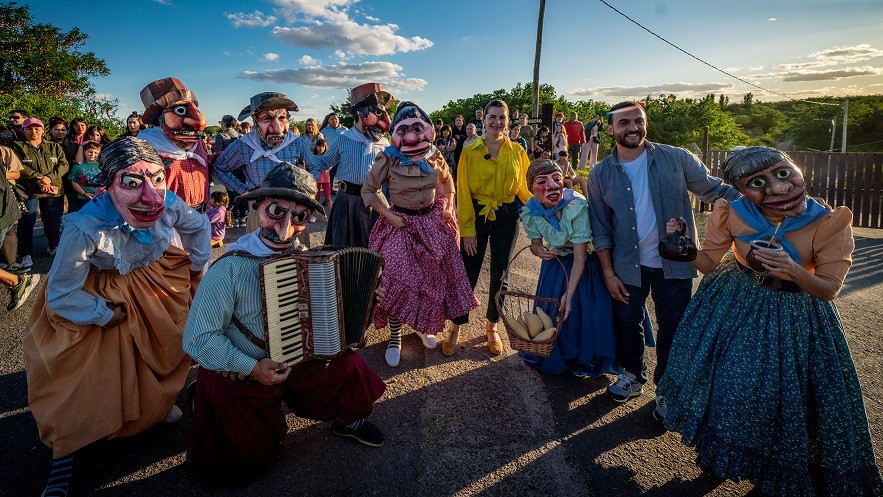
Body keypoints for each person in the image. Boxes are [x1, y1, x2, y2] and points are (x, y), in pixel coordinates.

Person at [658, 147, 883, 496]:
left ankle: (775, 468)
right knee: (730, 384)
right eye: (758, 183)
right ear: (741, 189)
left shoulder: (828, 222)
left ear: (795, 167)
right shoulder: (731, 211)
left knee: (785, 398)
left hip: (795, 315)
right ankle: (720, 453)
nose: (779, 189)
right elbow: (708, 263)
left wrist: (792, 269)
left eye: (783, 173)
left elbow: (828, 290)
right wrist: (682, 246)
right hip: (736, 301)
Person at [23, 136, 211, 497]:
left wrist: (196, 268)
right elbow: (62, 292)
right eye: (132, 182)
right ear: (108, 184)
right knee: (82, 371)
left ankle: (150, 411)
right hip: (96, 290)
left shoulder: (167, 202)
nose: (152, 195)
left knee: (162, 346)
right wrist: (100, 313)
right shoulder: (85, 228)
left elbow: (198, 225)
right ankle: (67, 449)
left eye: (157, 179)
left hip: (151, 278)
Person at [182, 162, 386, 487]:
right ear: (258, 207)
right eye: (276, 211)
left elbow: (326, 318)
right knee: (249, 461)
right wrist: (251, 366)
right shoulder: (230, 268)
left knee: (349, 369)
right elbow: (197, 339)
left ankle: (344, 421)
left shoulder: (310, 259)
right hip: (244, 371)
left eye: (300, 216)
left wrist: (364, 304)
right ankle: (200, 398)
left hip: (296, 361)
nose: (285, 228)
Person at [586, 101, 740, 423]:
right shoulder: (600, 173)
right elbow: (600, 229)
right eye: (624, 123)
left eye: (638, 121)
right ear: (610, 129)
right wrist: (609, 273)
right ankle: (633, 376)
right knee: (627, 324)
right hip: (627, 265)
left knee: (673, 328)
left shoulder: (676, 158)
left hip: (676, 262)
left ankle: (666, 389)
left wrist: (777, 201)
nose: (633, 128)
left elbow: (716, 191)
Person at [362, 102, 477, 366]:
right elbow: (368, 191)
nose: (412, 136)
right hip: (400, 224)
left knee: (430, 280)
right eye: (405, 129)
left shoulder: (434, 155)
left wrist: (448, 205)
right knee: (394, 282)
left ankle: (422, 326)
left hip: (431, 222)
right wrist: (389, 215)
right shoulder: (388, 158)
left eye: (417, 128)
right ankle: (394, 336)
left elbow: (448, 183)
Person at [518, 159, 615, 375]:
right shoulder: (530, 211)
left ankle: (583, 359)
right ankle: (552, 350)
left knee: (577, 312)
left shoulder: (576, 207)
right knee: (552, 316)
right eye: (542, 182)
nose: (552, 186)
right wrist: (537, 250)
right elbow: (535, 243)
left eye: (556, 179)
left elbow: (580, 258)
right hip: (555, 266)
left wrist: (568, 296)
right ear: (532, 188)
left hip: (583, 267)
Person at [456, 99, 532, 356]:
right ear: (483, 120)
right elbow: (463, 192)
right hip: (477, 214)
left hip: (508, 215)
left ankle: (492, 326)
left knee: (501, 274)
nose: (497, 122)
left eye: (502, 117)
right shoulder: (470, 150)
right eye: (492, 117)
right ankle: (456, 326)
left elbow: (524, 189)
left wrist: (546, 210)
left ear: (509, 121)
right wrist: (466, 229)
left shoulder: (518, 152)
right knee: (469, 271)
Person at [304, 82, 394, 248]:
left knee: (377, 249)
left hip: (375, 202)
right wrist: (303, 152)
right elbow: (323, 163)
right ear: (360, 115)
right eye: (376, 113)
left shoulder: (383, 142)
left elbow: (392, 173)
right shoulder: (344, 139)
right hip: (347, 202)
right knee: (344, 251)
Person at [213, 92, 311, 232]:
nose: (277, 128)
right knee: (258, 252)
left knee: (294, 253)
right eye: (267, 118)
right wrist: (245, 192)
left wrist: (306, 192)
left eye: (282, 117)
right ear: (255, 121)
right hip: (259, 212)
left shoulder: (296, 143)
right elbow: (219, 168)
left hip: (292, 215)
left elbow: (316, 165)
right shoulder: (244, 145)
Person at [138, 77, 211, 211]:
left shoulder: (198, 143)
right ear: (160, 117)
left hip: (200, 214)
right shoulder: (146, 146)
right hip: (168, 216)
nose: (199, 122)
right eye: (180, 110)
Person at [12, 117, 68, 266]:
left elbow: (63, 164)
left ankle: (54, 246)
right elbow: (21, 167)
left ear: (43, 130)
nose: (34, 131)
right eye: (29, 128)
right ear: (23, 130)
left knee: (53, 220)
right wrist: (39, 178)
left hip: (53, 190)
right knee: (27, 221)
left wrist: (49, 178)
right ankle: (25, 254)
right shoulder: (18, 147)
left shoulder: (54, 147)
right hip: (29, 190)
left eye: (37, 128)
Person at [67, 140, 102, 211]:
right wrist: (84, 193)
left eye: (96, 153)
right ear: (84, 152)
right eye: (90, 152)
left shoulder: (102, 167)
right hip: (82, 198)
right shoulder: (78, 167)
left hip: (100, 198)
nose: (93, 154)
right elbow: (74, 182)